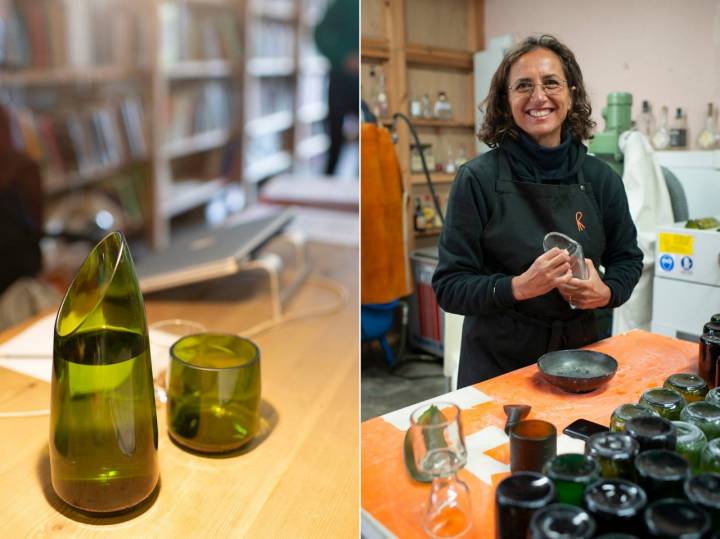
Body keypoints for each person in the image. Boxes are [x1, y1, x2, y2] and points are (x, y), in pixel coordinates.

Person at [432, 35, 643, 387]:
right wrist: (517, 287)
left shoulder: (601, 179)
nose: (538, 97)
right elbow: (449, 286)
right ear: (506, 100)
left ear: (571, 92)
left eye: (551, 83)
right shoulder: (477, 180)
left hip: (580, 359)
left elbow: (628, 259)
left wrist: (606, 292)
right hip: (498, 363)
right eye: (523, 86)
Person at [314, 0, 359, 175]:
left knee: (364, 141)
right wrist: (342, 58)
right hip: (340, 80)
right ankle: (328, 184)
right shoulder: (341, 5)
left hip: (360, 84)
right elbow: (319, 35)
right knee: (335, 140)